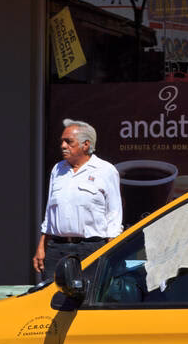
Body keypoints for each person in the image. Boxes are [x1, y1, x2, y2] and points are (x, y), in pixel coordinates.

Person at [34, 120, 123, 284]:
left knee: (87, 296)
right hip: (57, 249)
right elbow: (50, 213)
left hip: (91, 249)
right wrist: (41, 246)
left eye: (69, 142)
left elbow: (114, 215)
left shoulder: (106, 170)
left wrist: (110, 253)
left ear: (86, 145)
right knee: (51, 295)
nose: (63, 146)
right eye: (62, 141)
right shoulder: (57, 169)